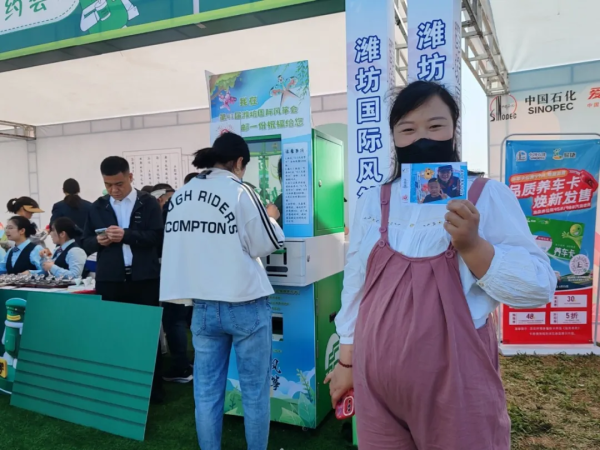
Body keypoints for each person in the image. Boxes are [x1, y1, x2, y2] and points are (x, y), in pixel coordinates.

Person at [325, 81, 556, 450]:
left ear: (454, 129)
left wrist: (474, 246)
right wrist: (347, 363)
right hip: (377, 386)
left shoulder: (485, 196)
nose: (422, 139)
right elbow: (356, 283)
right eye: (407, 129)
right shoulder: (374, 201)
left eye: (435, 126)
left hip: (456, 387)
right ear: (393, 137)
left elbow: (539, 285)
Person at [160, 132, 284, 450]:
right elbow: (265, 243)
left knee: (206, 394)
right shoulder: (240, 191)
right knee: (254, 393)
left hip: (202, 306)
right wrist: (272, 218)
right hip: (245, 302)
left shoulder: (182, 195)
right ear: (239, 162)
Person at [82, 156, 165, 403]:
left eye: (119, 184)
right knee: (112, 333)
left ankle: (153, 390)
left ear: (130, 177)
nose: (114, 190)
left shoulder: (148, 203)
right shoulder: (97, 207)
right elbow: (84, 242)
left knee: (147, 334)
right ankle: (116, 387)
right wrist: (98, 241)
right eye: (108, 185)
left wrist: (126, 235)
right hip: (110, 280)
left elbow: (158, 238)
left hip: (144, 279)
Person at [153, 182, 193, 384]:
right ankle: (189, 364)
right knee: (187, 319)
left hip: (175, 272)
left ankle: (181, 367)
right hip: (191, 271)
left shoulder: (170, 211)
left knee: (174, 319)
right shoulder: (190, 208)